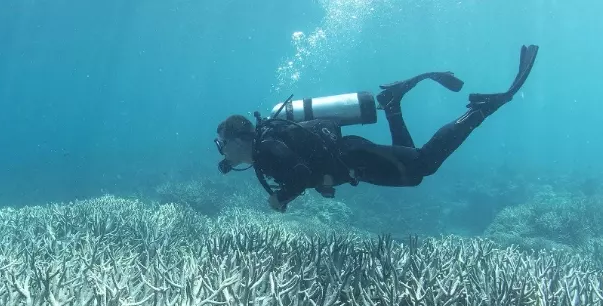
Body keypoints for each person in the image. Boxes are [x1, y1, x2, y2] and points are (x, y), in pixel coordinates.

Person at [214, 45, 539, 212]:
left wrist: (280, 198)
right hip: (352, 160)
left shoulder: (267, 148)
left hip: (354, 157)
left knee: (423, 165)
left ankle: (479, 111)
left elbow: (298, 174)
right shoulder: (264, 147)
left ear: (240, 138)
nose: (222, 151)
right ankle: (393, 105)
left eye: (222, 144)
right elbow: (305, 169)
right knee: (413, 171)